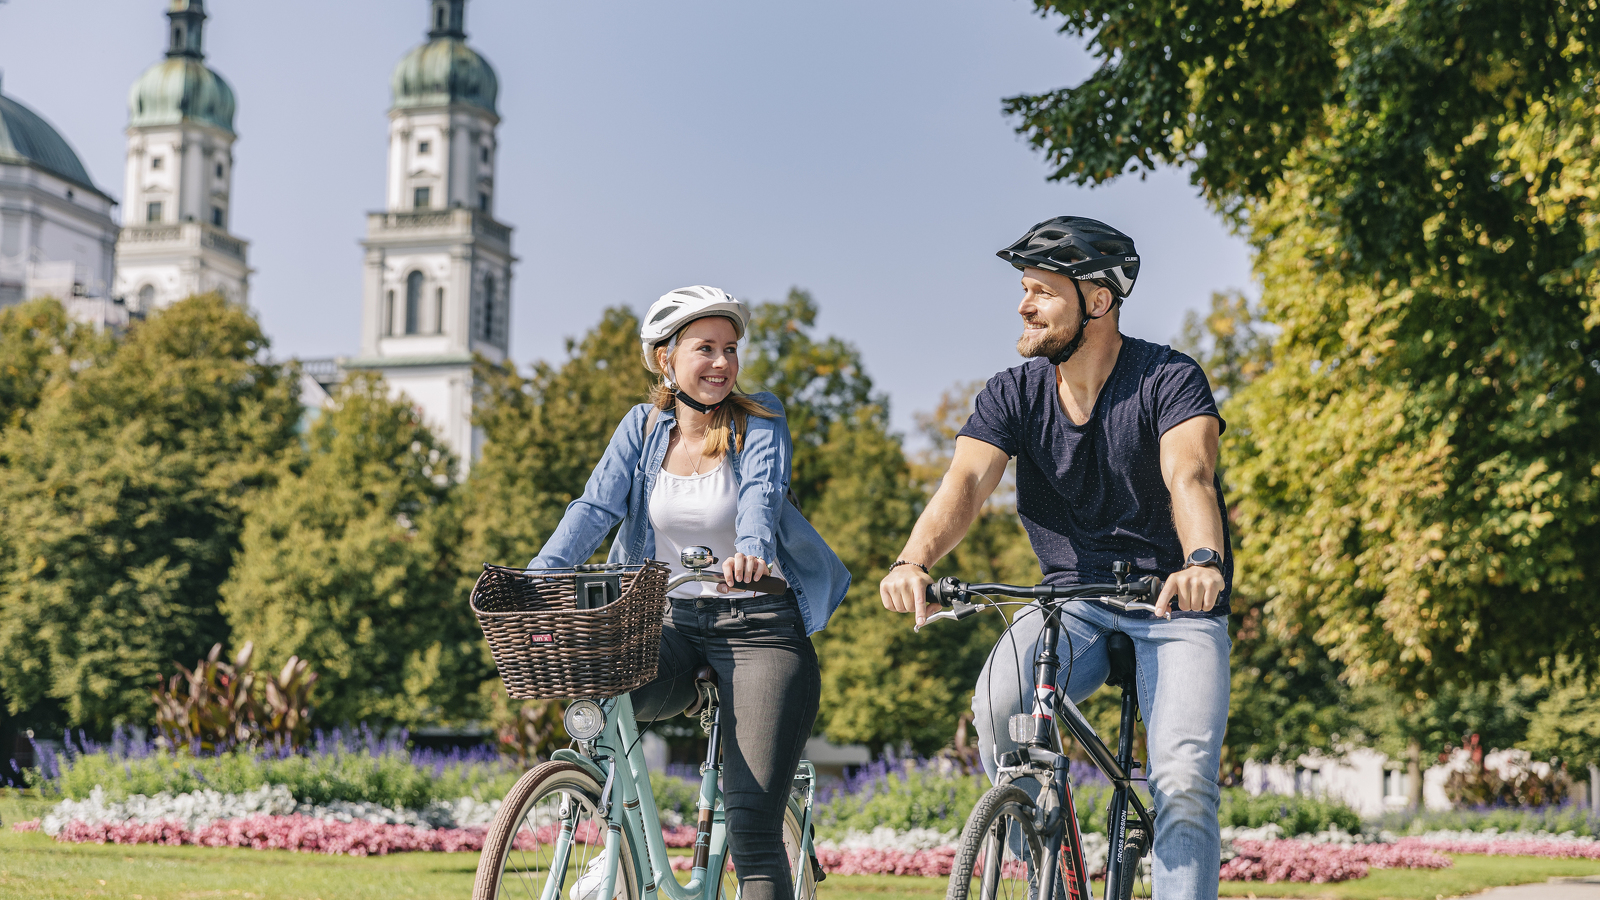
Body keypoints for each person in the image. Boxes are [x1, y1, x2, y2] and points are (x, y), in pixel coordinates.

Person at [878, 218, 1232, 899]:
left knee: (1183, 781)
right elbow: (966, 483)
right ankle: (1045, 854)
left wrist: (1203, 559)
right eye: (1023, 289)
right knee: (997, 706)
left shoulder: (1168, 378)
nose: (1023, 305)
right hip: (1071, 604)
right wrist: (912, 561)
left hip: (1173, 604)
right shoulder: (1014, 393)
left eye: (1042, 290)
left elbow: (1191, 475)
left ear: (1097, 301)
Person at [527, 285, 850, 900]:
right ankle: (615, 846)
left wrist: (752, 550)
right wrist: (541, 574)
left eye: (731, 349)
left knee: (752, 826)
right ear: (664, 358)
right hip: (670, 621)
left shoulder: (761, 418)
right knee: (606, 695)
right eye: (705, 348)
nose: (722, 363)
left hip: (760, 629)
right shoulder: (643, 426)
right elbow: (594, 507)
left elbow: (761, 490)